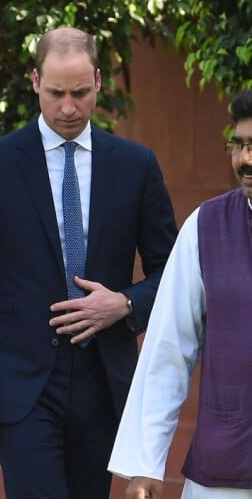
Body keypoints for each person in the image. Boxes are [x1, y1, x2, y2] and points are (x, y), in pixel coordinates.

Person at [0, 26, 178, 499]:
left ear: (99, 83)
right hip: (19, 381)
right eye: (55, 93)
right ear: (34, 83)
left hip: (104, 381)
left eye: (80, 93)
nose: (68, 108)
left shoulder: (135, 165)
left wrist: (125, 304)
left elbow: (172, 272)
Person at [108, 89, 252, 498]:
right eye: (239, 145)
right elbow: (168, 348)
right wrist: (145, 463)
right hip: (223, 471)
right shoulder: (205, 228)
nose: (246, 160)